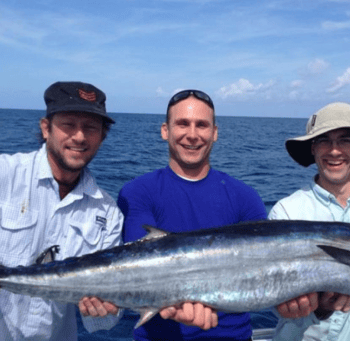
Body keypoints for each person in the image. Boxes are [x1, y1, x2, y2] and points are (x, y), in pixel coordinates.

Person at [118, 89, 268, 341]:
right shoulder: (138, 192)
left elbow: (261, 272)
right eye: (182, 124)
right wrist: (175, 306)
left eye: (202, 125)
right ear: (165, 130)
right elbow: (142, 269)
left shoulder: (246, 197)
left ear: (215, 133)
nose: (192, 134)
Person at [0, 81, 123, 340]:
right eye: (68, 124)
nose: (79, 136)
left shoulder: (109, 212)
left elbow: (106, 321)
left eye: (90, 127)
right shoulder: (5, 175)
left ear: (102, 136)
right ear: (46, 129)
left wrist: (106, 311)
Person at [268, 102, 350, 341]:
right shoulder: (286, 211)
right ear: (313, 149)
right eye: (323, 140)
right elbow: (274, 294)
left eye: (345, 139)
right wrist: (319, 307)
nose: (334, 151)